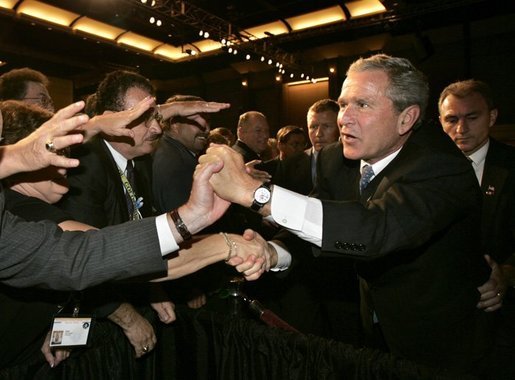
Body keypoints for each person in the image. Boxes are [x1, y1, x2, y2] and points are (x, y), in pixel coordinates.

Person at [200, 54, 496, 375]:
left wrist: (254, 194)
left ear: (406, 118)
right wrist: (275, 252)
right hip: (369, 331)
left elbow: (373, 231)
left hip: (442, 344)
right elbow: (317, 223)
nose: (344, 119)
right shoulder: (334, 159)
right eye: (343, 104)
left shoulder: (441, 166)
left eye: (363, 105)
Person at [0, 99, 269, 294]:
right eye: (50, 154)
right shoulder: (20, 210)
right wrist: (222, 243)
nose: (65, 165)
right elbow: (95, 257)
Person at [438, 79, 515, 378]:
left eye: (472, 117)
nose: (461, 129)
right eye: (452, 119)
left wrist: (507, 273)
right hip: (439, 319)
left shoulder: (511, 166)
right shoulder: (421, 169)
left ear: (492, 117)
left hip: (501, 321)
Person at [274, 99, 340, 195]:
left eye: (326, 126)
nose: (318, 134)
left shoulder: (355, 162)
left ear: (340, 127)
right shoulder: (288, 165)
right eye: (313, 127)